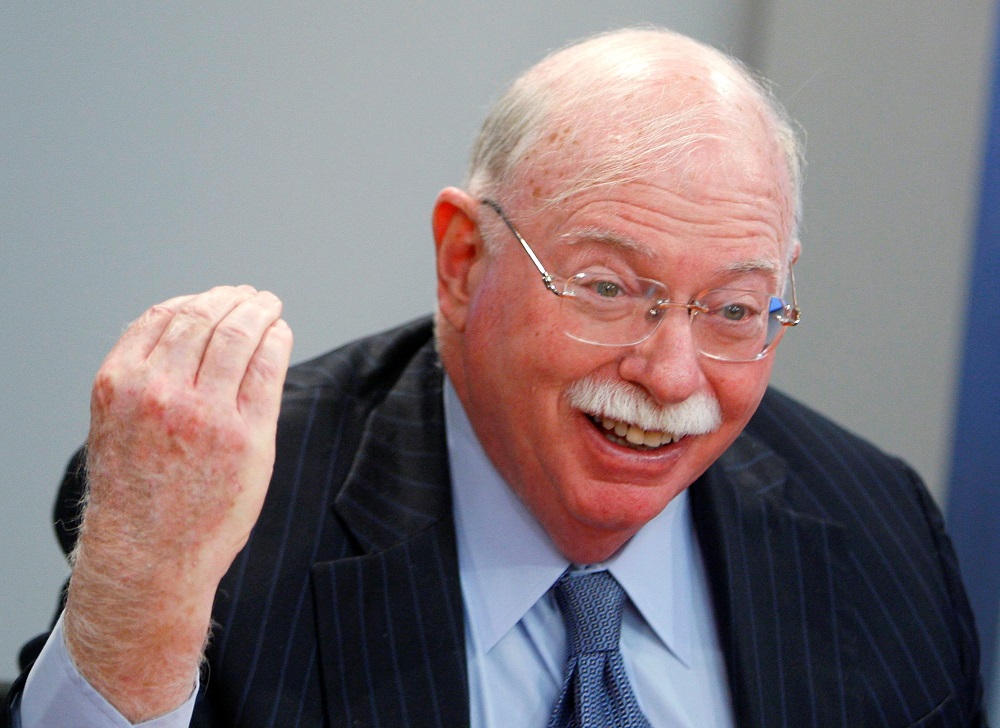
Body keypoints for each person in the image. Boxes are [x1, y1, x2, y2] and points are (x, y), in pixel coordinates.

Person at [3, 26, 987, 728]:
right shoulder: (236, 522)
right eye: (608, 289)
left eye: (732, 308)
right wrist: (137, 605)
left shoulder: (880, 527)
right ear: (464, 261)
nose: (670, 375)